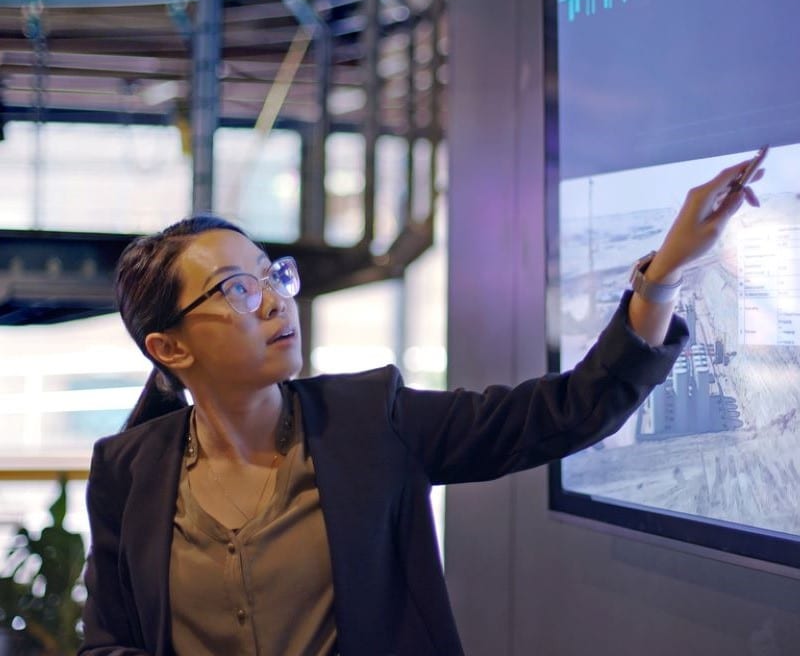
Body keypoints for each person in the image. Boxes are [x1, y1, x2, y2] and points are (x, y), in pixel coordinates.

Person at [79, 160, 761, 656]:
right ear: (169, 348)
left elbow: (570, 410)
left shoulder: (370, 421)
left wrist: (664, 275)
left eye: (271, 274)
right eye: (235, 288)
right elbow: (108, 642)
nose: (273, 299)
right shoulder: (127, 468)